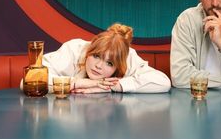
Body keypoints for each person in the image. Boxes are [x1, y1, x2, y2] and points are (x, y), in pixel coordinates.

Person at [33, 23, 171, 94]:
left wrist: (113, 86)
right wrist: (78, 83)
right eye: (96, 56)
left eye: (109, 63)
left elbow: (163, 82)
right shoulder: (74, 50)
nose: (98, 66)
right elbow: (30, 79)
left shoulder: (127, 57)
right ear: (89, 51)